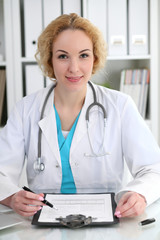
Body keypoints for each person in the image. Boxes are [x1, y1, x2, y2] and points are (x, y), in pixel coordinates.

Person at [0, 13, 160, 219]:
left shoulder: (120, 106)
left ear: (95, 58)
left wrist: (140, 194)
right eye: (63, 56)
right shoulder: (26, 110)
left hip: (109, 223)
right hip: (46, 223)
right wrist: (12, 197)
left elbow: (154, 169)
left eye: (83, 55)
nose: (74, 68)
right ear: (50, 59)